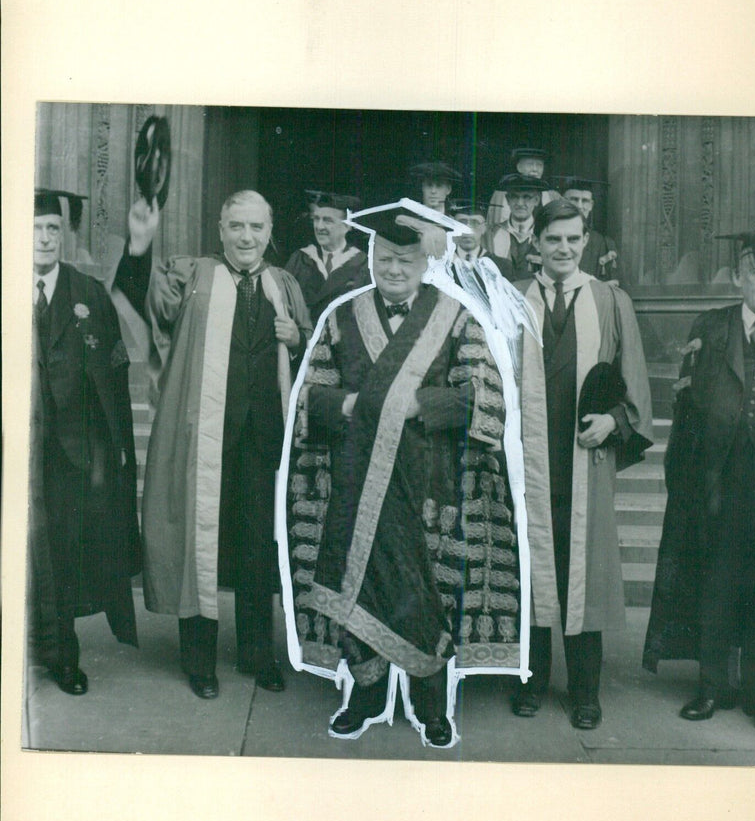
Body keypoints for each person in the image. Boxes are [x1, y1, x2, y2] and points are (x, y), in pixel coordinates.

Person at [283, 201, 523, 748]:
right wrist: (348, 407)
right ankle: (364, 696)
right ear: (370, 258)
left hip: (428, 481)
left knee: (424, 588)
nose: (394, 270)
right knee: (361, 582)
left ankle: (430, 704)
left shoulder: (456, 316)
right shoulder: (341, 318)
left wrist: (419, 403)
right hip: (355, 479)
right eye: (385, 259)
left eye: (406, 261)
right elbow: (310, 397)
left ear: (423, 264)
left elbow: (481, 397)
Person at [114, 190, 312, 698]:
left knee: (254, 550)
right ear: (220, 229)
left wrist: (296, 340)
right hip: (201, 434)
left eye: (256, 227)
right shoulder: (192, 274)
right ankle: (199, 660)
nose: (247, 237)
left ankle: (256, 655)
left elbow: (316, 352)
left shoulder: (283, 284)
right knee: (196, 545)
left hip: (261, 438)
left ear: (270, 232)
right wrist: (138, 249)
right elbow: (144, 306)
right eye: (236, 227)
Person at [516, 198, 653, 728]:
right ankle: (528, 681)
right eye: (554, 239)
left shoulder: (610, 301)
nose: (564, 248)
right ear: (537, 242)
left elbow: (634, 381)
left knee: (582, 574)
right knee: (531, 568)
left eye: (574, 239)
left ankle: (585, 692)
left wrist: (614, 422)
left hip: (583, 460)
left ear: (586, 240)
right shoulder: (513, 300)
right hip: (527, 457)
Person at [643, 233, 755, 731]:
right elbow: (687, 409)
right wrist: (692, 483)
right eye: (754, 271)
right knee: (717, 582)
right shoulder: (711, 327)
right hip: (721, 481)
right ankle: (712, 686)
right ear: (737, 278)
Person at [29, 189, 140, 694]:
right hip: (19, 449)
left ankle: (61, 656)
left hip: (71, 452)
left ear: (64, 234)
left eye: (53, 228)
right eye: (35, 228)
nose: (45, 238)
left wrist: (114, 448)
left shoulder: (88, 292)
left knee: (62, 556)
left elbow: (115, 374)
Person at [284, 191, 369, 325]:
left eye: (328, 220)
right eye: (316, 219)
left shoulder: (362, 264)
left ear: (348, 225)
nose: (319, 226)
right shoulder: (299, 259)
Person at [488, 173, 550, 282]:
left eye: (526, 197)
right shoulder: (491, 234)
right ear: (507, 200)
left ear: (536, 200)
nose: (520, 203)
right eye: (514, 197)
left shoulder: (547, 234)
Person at [561, 177, 620, 283]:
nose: (579, 206)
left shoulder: (603, 243)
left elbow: (610, 286)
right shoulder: (549, 238)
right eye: (574, 199)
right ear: (563, 202)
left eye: (585, 201)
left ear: (591, 205)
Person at [487, 147, 556, 236]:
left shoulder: (551, 195)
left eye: (539, 165)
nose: (535, 169)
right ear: (519, 167)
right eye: (530, 164)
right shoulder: (501, 193)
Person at [449, 199, 514, 280]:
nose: (468, 231)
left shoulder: (501, 266)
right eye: (462, 223)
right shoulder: (442, 264)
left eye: (475, 223)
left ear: (484, 228)